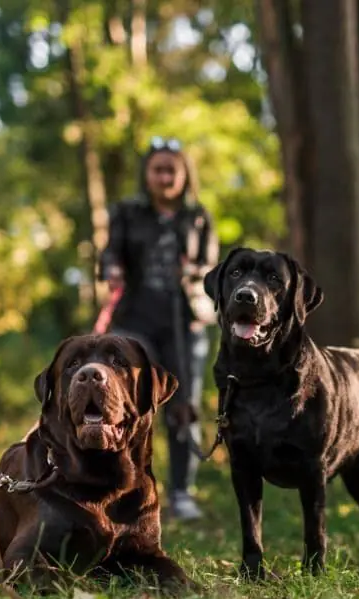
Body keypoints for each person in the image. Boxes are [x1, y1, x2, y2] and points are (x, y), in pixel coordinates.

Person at [97, 136, 218, 521]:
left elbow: (211, 268)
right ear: (147, 174)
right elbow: (109, 252)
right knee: (128, 399)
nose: (165, 177)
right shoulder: (127, 213)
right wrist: (112, 269)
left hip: (185, 322)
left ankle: (181, 492)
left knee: (183, 406)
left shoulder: (198, 216)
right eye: (158, 170)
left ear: (184, 175)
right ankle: (124, 487)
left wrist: (193, 271)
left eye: (172, 171)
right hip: (135, 321)